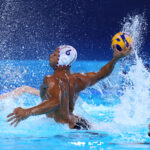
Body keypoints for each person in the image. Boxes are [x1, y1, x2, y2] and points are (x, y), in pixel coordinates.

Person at [1, 44, 132, 129]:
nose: (51, 55)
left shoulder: (50, 79)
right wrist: (115, 59)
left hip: (65, 130)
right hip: (80, 124)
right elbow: (100, 74)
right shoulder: (77, 79)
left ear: (61, 60)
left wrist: (27, 112)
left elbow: (55, 102)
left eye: (55, 54)